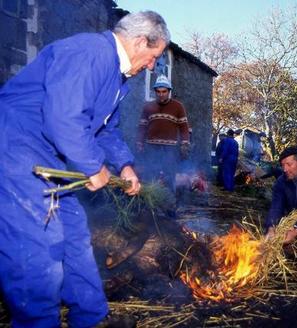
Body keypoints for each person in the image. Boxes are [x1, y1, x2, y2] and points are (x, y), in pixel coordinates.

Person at [0, 11, 169, 327]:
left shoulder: (117, 80)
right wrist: (93, 165)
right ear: (140, 41)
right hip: (16, 149)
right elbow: (63, 117)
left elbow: (106, 130)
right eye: (154, 57)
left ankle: (90, 317)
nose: (151, 66)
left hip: (50, 158)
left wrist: (125, 165)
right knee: (37, 242)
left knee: (75, 233)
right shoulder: (89, 53)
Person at [136, 75, 190, 215]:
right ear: (155, 92)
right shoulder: (148, 107)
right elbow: (142, 127)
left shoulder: (178, 106)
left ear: (169, 91)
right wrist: (139, 143)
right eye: (158, 91)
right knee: (150, 177)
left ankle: (169, 208)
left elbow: (184, 127)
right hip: (151, 148)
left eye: (164, 91)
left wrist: (184, 144)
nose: (161, 94)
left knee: (169, 178)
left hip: (170, 149)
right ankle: (150, 207)